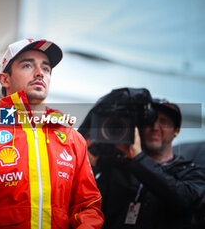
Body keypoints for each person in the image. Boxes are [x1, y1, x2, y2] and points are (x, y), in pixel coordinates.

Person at [0, 38, 104, 229]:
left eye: (46, 69)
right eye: (28, 65)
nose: (40, 73)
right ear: (5, 79)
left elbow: (88, 206)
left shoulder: (73, 139)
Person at [80, 98, 205, 229]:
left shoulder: (191, 171)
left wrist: (138, 158)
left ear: (176, 130)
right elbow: (88, 202)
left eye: (163, 122)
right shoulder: (118, 166)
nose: (155, 127)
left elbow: (183, 200)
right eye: (149, 122)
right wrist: (90, 159)